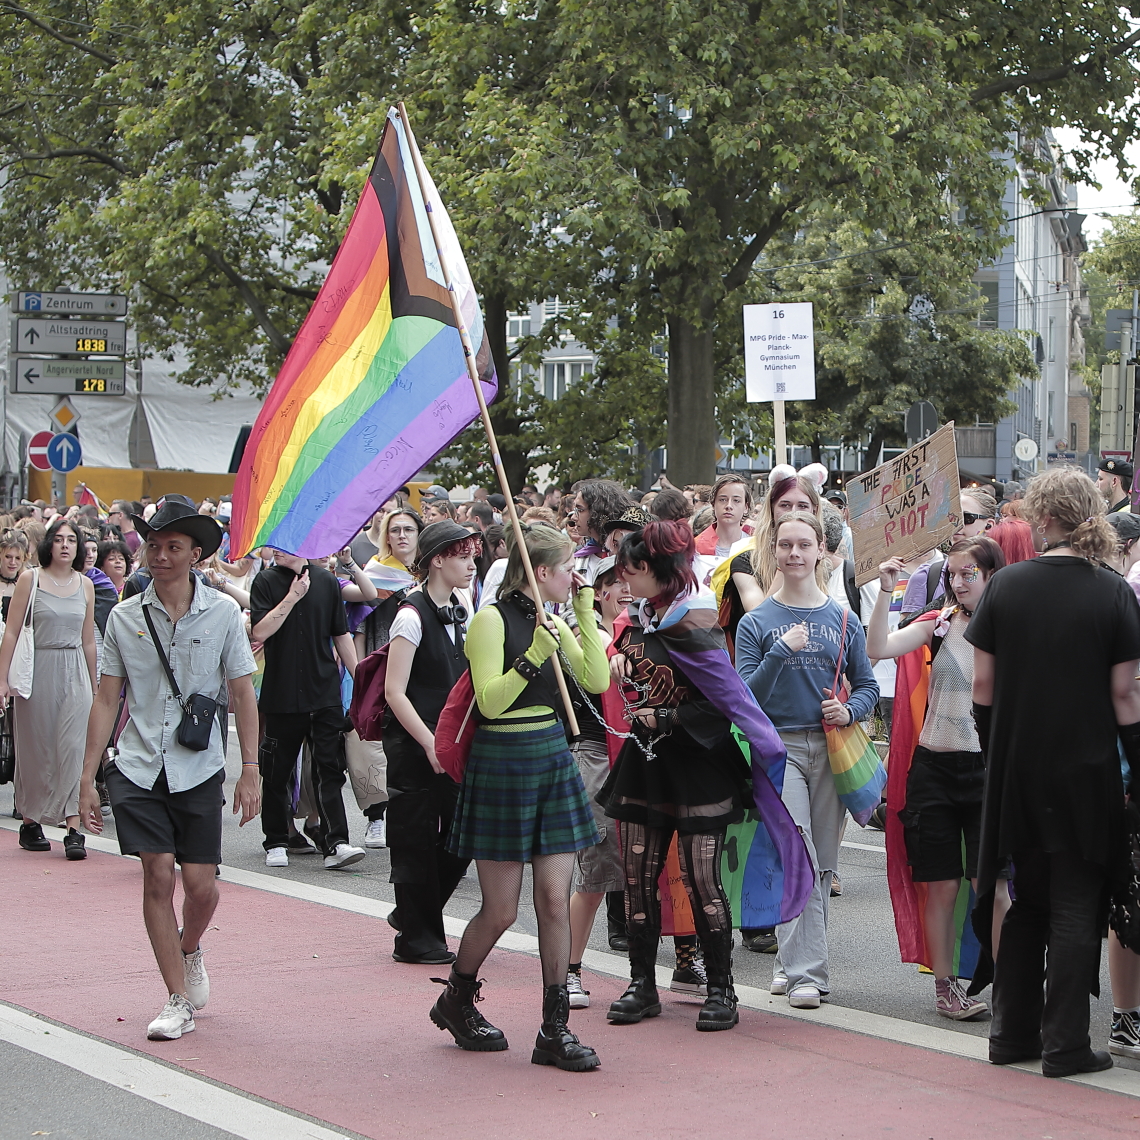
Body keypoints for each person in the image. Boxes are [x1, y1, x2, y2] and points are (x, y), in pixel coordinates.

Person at [968, 465, 1140, 1077]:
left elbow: (982, 688)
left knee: (1027, 900)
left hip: (1018, 769)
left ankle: (1010, 1035)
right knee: (1074, 903)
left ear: (1043, 518)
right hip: (1086, 771)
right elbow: (1125, 696)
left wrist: (997, 751)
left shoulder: (1005, 586)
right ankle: (1066, 1043)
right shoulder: (1112, 591)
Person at [77, 499, 260, 1042]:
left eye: (172, 547)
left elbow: (242, 692)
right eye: (152, 545)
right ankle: (177, 998)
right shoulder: (124, 616)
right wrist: (86, 779)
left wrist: (250, 768)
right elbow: (107, 698)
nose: (159, 555)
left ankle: (190, 947)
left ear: (195, 554)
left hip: (198, 766)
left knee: (202, 888)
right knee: (157, 872)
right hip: (136, 765)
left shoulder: (223, 613)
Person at [429, 522, 607, 1072]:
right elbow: (490, 701)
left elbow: (597, 679)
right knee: (501, 910)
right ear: (542, 570)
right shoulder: (490, 620)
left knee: (554, 900)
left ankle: (555, 1029)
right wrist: (532, 655)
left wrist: (582, 612)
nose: (575, 575)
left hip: (551, 758)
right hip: (503, 762)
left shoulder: (554, 618)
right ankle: (456, 997)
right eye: (569, 568)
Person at [735, 512, 878, 1009]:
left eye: (804, 544)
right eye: (785, 545)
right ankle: (807, 974)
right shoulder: (756, 623)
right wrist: (779, 652)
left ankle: (789, 963)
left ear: (821, 551)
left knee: (821, 862)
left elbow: (868, 686)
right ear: (772, 552)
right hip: (779, 751)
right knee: (798, 854)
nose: (794, 553)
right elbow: (744, 699)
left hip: (832, 749)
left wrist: (849, 710)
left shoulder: (843, 619)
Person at [868, 537, 1006, 1020]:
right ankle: (946, 988)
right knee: (941, 886)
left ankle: (1012, 988)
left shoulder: (1012, 629)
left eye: (970, 574)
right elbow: (878, 648)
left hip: (988, 772)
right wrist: (885, 590)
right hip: (934, 770)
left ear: (993, 576)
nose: (959, 582)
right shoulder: (940, 622)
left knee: (993, 886)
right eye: (953, 574)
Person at [383, 522, 480, 964]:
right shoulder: (410, 615)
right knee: (415, 839)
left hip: (451, 742)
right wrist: (428, 744)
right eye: (462, 555)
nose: (471, 564)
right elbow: (394, 692)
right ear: (437, 559)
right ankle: (416, 938)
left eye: (473, 555)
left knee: (464, 834)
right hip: (414, 742)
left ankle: (412, 914)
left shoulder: (462, 604)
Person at [251, 547, 365, 870]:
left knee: (329, 769)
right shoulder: (265, 581)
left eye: (285, 545)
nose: (277, 550)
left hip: (324, 692)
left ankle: (336, 842)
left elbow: (340, 634)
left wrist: (361, 681)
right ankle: (276, 839)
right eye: (274, 545)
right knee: (277, 772)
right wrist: (292, 597)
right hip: (282, 694)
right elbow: (259, 631)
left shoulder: (326, 582)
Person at [0, 519, 97, 858]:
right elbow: (12, 632)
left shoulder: (86, 584)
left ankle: (73, 829)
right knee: (36, 749)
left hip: (75, 671)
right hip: (37, 670)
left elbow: (88, 640)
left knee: (73, 748)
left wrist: (95, 685)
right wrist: (2, 680)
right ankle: (30, 822)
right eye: (59, 539)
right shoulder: (30, 579)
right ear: (49, 545)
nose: (65, 545)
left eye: (72, 540)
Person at [564, 556, 632, 1008]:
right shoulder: (583, 636)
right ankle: (568, 971)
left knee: (648, 872)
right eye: (614, 582)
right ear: (598, 592)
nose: (625, 589)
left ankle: (673, 968)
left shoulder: (645, 632)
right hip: (597, 756)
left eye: (631, 580)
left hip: (639, 755)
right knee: (596, 871)